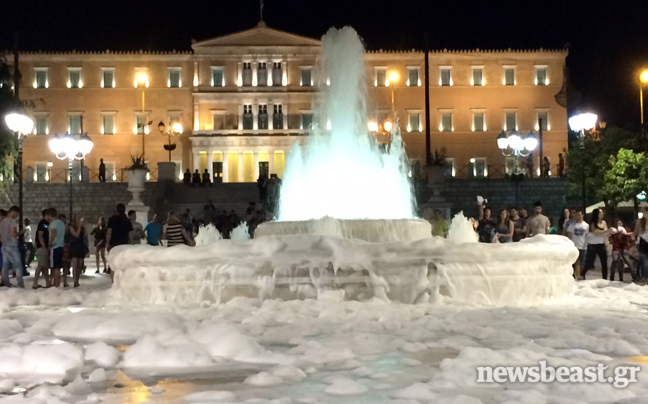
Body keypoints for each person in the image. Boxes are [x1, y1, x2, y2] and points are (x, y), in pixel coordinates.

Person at [582, 208, 611, 280]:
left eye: (602, 212)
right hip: (593, 245)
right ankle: (582, 274)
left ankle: (605, 278)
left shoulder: (604, 222)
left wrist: (609, 234)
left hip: (601, 244)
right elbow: (596, 233)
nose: (602, 214)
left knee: (604, 263)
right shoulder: (593, 223)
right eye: (600, 212)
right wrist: (607, 231)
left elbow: (606, 233)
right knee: (589, 262)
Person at [0, 206, 24, 288]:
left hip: (4, 245)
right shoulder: (12, 221)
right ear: (14, 212)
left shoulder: (2, 221)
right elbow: (13, 234)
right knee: (18, 266)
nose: (17, 216)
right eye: (17, 214)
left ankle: (6, 283)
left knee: (5, 266)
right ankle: (20, 284)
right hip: (12, 246)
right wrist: (20, 232)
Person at [566, 209, 589, 280]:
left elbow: (587, 236)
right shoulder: (572, 225)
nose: (578, 217)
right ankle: (575, 276)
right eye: (576, 215)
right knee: (575, 262)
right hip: (574, 246)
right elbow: (569, 236)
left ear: (582, 215)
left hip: (583, 246)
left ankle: (581, 276)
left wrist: (587, 245)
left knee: (582, 262)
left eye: (579, 215)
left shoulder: (586, 225)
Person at [33, 209, 51, 289]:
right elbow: (40, 235)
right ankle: (35, 283)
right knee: (41, 265)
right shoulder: (43, 223)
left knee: (44, 266)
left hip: (43, 246)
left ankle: (48, 282)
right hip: (42, 247)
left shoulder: (46, 223)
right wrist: (43, 245)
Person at [48, 208, 66, 288]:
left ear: (49, 215)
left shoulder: (53, 224)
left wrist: (50, 243)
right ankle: (57, 283)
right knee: (58, 266)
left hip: (54, 247)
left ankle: (56, 284)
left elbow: (53, 233)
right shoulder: (62, 223)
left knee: (55, 267)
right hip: (61, 246)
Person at [68, 213, 86, 288]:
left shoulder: (82, 228)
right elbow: (76, 235)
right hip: (74, 247)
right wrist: (79, 226)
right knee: (75, 264)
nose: (79, 219)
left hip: (81, 246)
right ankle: (75, 281)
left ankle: (77, 280)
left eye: (80, 217)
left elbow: (84, 237)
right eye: (77, 217)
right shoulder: (72, 227)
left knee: (79, 265)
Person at [634, 207, 648, 283]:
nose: (643, 213)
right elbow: (636, 231)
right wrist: (632, 236)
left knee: (645, 262)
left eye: (644, 211)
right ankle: (645, 278)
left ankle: (644, 277)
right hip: (642, 243)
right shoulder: (639, 221)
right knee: (645, 261)